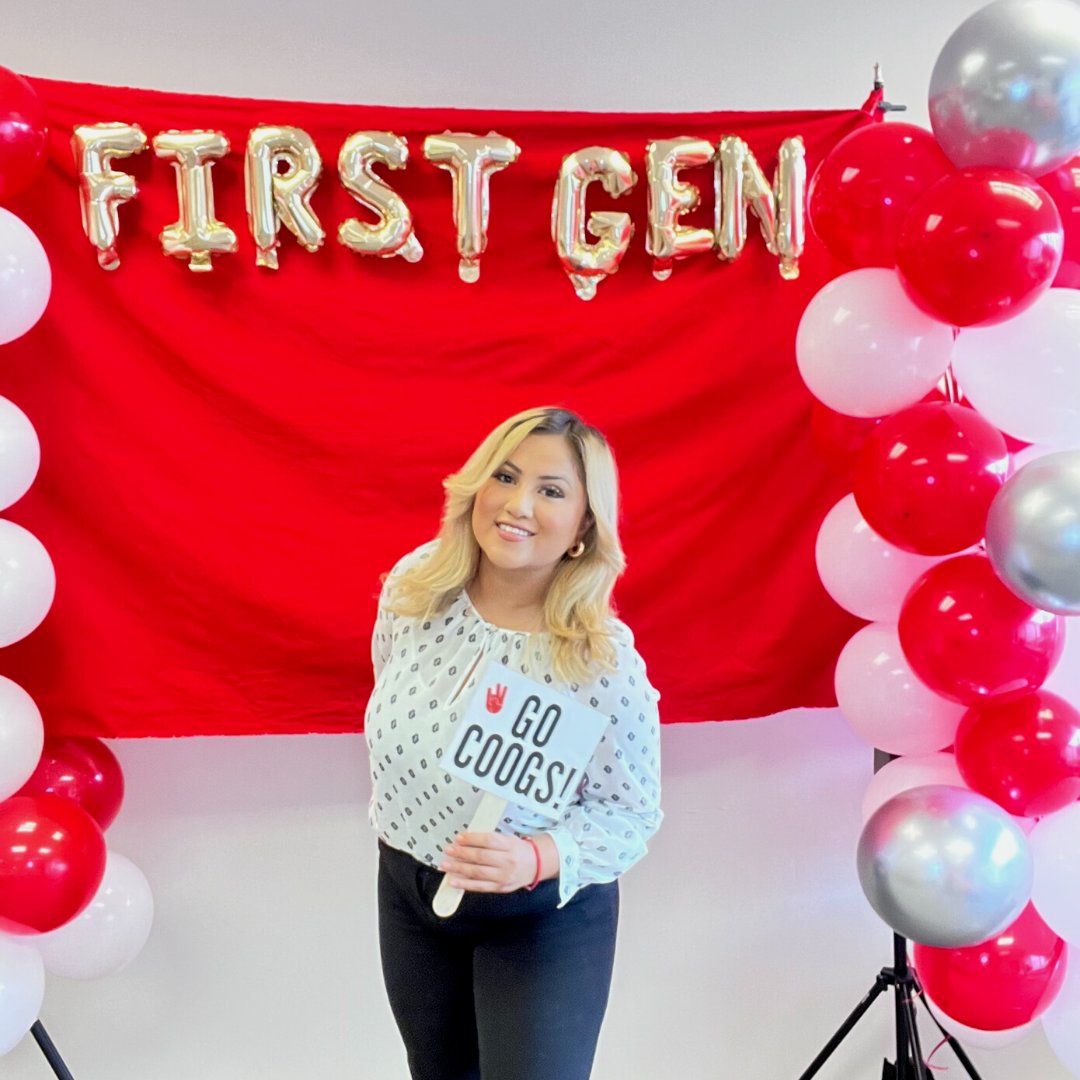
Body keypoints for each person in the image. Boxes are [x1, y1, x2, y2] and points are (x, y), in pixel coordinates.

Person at [365, 406, 662, 1080]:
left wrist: (534, 858)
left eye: (551, 491)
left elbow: (632, 814)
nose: (517, 504)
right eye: (505, 476)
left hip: (539, 918)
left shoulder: (599, 659)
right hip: (410, 894)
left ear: (584, 526)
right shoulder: (416, 593)